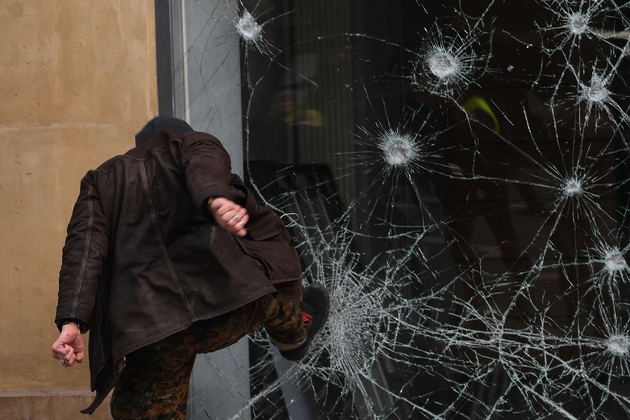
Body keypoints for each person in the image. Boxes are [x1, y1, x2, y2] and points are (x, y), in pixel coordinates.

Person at [51, 117, 330, 419]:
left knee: (145, 407)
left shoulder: (99, 181)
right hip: (227, 306)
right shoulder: (191, 143)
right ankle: (292, 335)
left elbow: (82, 251)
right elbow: (204, 165)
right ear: (180, 135)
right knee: (271, 279)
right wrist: (216, 199)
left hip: (154, 331)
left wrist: (72, 321)